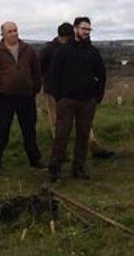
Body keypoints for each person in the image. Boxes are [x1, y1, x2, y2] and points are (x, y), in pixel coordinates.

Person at [40, 22, 115, 160]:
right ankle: (60, 153)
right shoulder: (49, 50)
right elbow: (41, 69)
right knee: (57, 123)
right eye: (66, 39)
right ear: (60, 37)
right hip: (54, 93)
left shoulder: (81, 47)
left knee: (84, 123)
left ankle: (93, 147)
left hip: (77, 93)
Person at [46, 17, 106, 182]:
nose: (86, 32)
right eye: (83, 28)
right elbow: (54, 75)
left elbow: (101, 75)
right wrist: (59, 97)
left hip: (87, 101)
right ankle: (54, 170)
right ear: (75, 29)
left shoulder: (93, 52)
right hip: (67, 101)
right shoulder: (63, 51)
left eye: (88, 29)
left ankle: (78, 168)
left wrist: (97, 96)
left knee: (83, 135)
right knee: (61, 135)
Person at [0, 21, 43, 176]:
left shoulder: (28, 50)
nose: (14, 33)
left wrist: (33, 89)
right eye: (10, 31)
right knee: (0, 131)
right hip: (3, 99)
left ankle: (35, 160)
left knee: (29, 130)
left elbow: (36, 72)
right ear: (2, 34)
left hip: (26, 97)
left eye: (15, 30)